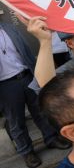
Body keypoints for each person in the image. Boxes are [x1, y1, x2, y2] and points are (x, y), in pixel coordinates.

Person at [0, 22, 70, 168]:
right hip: (5, 85)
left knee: (40, 110)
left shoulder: (9, 27)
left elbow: (25, 49)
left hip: (27, 75)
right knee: (16, 121)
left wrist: (36, 70)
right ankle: (27, 151)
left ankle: (51, 138)